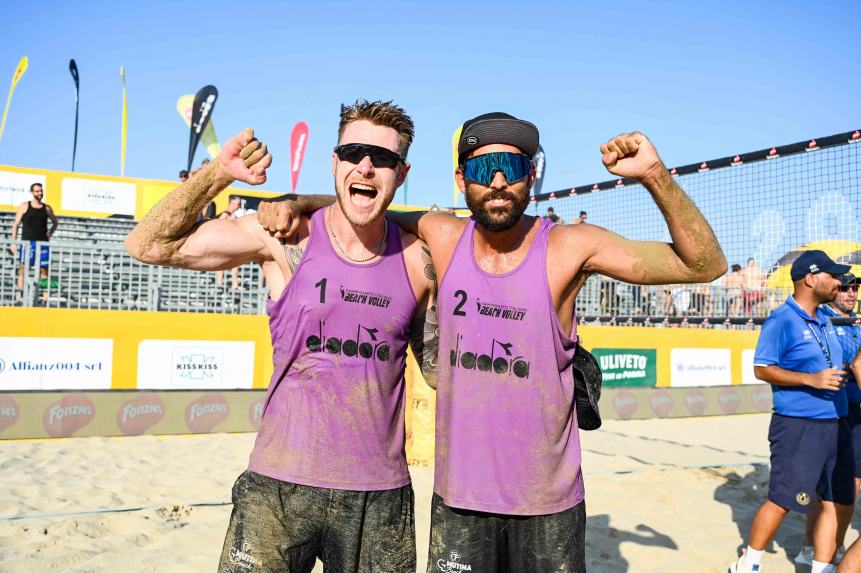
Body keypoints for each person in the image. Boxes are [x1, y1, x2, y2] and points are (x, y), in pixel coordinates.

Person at [258, 112, 727, 572]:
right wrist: (299, 202)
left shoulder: (569, 247)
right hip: (460, 506)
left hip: (549, 507)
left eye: (514, 167)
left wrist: (653, 175)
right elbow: (368, 202)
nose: (499, 181)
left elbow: (703, 265)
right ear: (462, 180)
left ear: (532, 176)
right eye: (484, 169)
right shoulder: (443, 235)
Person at [125, 99, 438, 572]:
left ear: (402, 171)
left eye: (384, 158)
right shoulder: (285, 238)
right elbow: (146, 246)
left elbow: (440, 370)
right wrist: (217, 175)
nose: (367, 167)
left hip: (378, 498)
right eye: (354, 152)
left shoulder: (418, 261)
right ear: (335, 162)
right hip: (278, 487)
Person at [729, 250, 853, 573]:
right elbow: (761, 367)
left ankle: (820, 566)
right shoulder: (782, 319)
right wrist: (811, 379)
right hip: (798, 424)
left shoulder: (826, 319)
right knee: (785, 500)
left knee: (835, 501)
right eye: (833, 276)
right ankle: (749, 562)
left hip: (835, 422)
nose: (840, 282)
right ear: (811, 279)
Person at [795, 273, 861, 567]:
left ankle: (833, 547)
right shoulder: (821, 320)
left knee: (850, 487)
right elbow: (845, 365)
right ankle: (812, 548)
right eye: (845, 287)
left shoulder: (856, 322)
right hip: (831, 413)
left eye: (855, 288)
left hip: (855, 414)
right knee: (826, 490)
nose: (851, 293)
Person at [9, 182, 58, 293]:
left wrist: (50, 232)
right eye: (37, 191)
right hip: (28, 243)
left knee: (44, 271)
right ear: (32, 192)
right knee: (23, 269)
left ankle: (45, 298)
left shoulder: (47, 208)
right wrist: (13, 242)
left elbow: (55, 222)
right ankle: (20, 296)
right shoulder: (25, 206)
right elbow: (16, 224)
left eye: (41, 190)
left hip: (43, 244)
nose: (40, 193)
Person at [215, 196, 243, 290]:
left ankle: (234, 284)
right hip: (223, 243)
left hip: (231, 244)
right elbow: (219, 227)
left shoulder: (233, 214)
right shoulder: (225, 214)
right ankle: (219, 282)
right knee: (222, 263)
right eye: (238, 204)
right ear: (232, 203)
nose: (239, 207)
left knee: (236, 264)